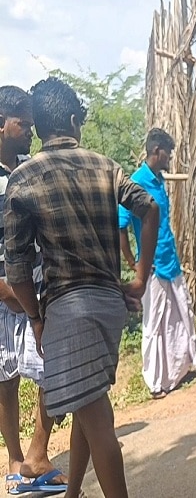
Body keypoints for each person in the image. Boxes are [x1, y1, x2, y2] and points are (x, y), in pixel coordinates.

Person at [4, 76, 159, 498]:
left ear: (40, 128)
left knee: (98, 421)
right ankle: (72, 493)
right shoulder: (104, 165)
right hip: (109, 306)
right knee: (88, 407)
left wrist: (35, 317)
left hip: (67, 312)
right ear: (73, 120)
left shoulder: (23, 179)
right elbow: (150, 209)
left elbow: (17, 271)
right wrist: (141, 278)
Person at [0, 85, 67, 494]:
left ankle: (37, 454)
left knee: (49, 370)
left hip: (34, 288)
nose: (29, 130)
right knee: (4, 380)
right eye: (21, 123)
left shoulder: (28, 169)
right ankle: (14, 458)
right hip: (3, 293)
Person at [119, 128, 196, 399]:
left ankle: (179, 370)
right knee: (154, 323)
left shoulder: (158, 180)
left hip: (170, 260)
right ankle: (155, 382)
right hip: (151, 268)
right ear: (157, 152)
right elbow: (121, 225)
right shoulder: (137, 183)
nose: (170, 158)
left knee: (180, 315)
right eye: (168, 153)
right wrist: (133, 262)